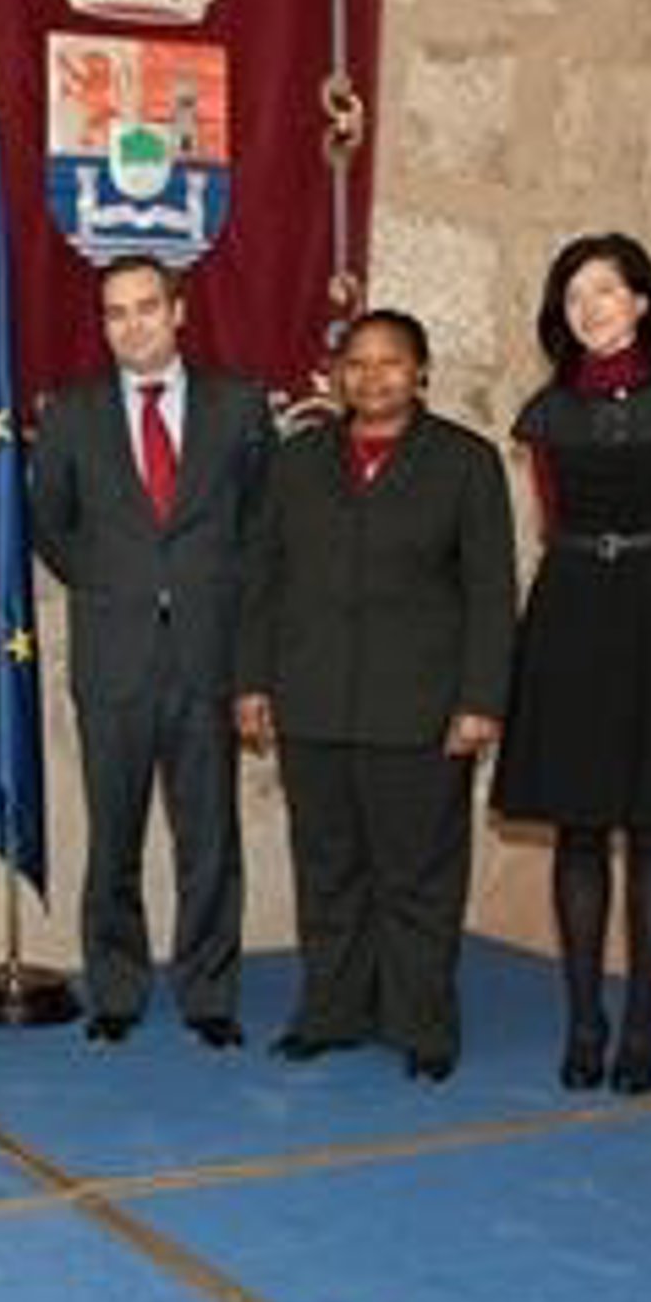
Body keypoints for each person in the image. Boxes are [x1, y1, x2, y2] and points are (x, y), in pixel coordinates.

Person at [236, 310, 516, 1082]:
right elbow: (261, 579)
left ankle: (422, 1025)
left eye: (390, 362)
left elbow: (492, 593)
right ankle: (331, 1012)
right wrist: (251, 681)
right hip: (314, 701)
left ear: (420, 371)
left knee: (417, 878)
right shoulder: (296, 461)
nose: (372, 377)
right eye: (356, 363)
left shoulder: (466, 462)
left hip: (422, 709)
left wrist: (481, 700)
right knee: (328, 870)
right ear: (336, 376)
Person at [493, 233, 651, 1096]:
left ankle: (641, 1021)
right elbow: (551, 516)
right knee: (578, 824)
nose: (588, 308)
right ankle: (584, 1021)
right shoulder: (547, 412)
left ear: (640, 300)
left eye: (603, 290)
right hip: (571, 611)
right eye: (572, 296)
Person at [30, 253, 273, 1051]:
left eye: (145, 307)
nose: (131, 326)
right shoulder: (71, 414)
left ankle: (209, 994)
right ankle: (117, 989)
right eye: (115, 313)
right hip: (114, 658)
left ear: (178, 312)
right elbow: (50, 524)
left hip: (208, 654)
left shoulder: (238, 407)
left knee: (211, 840)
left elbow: (259, 525)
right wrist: (116, 582)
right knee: (114, 839)